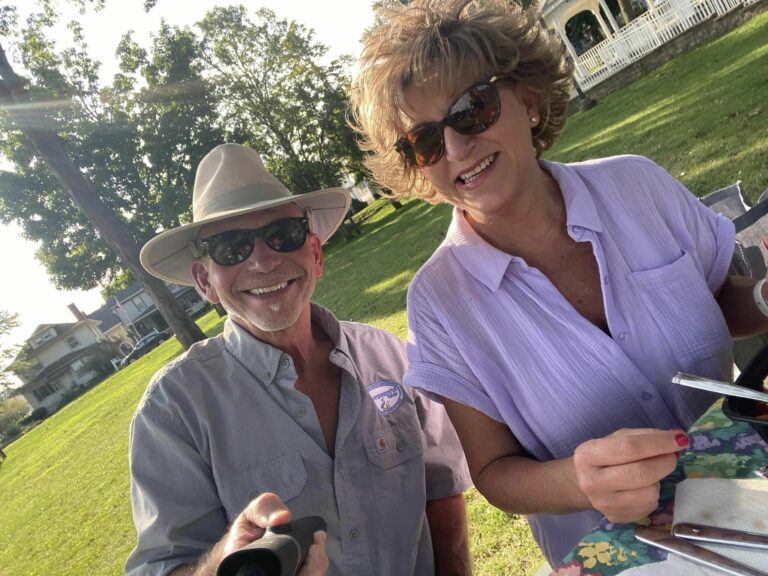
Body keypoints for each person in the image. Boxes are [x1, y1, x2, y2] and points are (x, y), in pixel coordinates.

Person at [349, 0, 768, 566]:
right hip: (629, 559)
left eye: (472, 109)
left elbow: (721, 295)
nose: (455, 149)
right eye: (424, 142)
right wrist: (578, 481)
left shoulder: (636, 185)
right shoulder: (440, 304)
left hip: (750, 492)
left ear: (527, 97)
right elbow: (495, 473)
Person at [126, 143, 473, 576]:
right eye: (231, 246)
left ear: (315, 253)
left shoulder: (387, 354)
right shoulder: (174, 411)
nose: (264, 259)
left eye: (283, 234)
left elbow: (441, 490)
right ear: (204, 281)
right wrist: (220, 564)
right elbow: (163, 567)